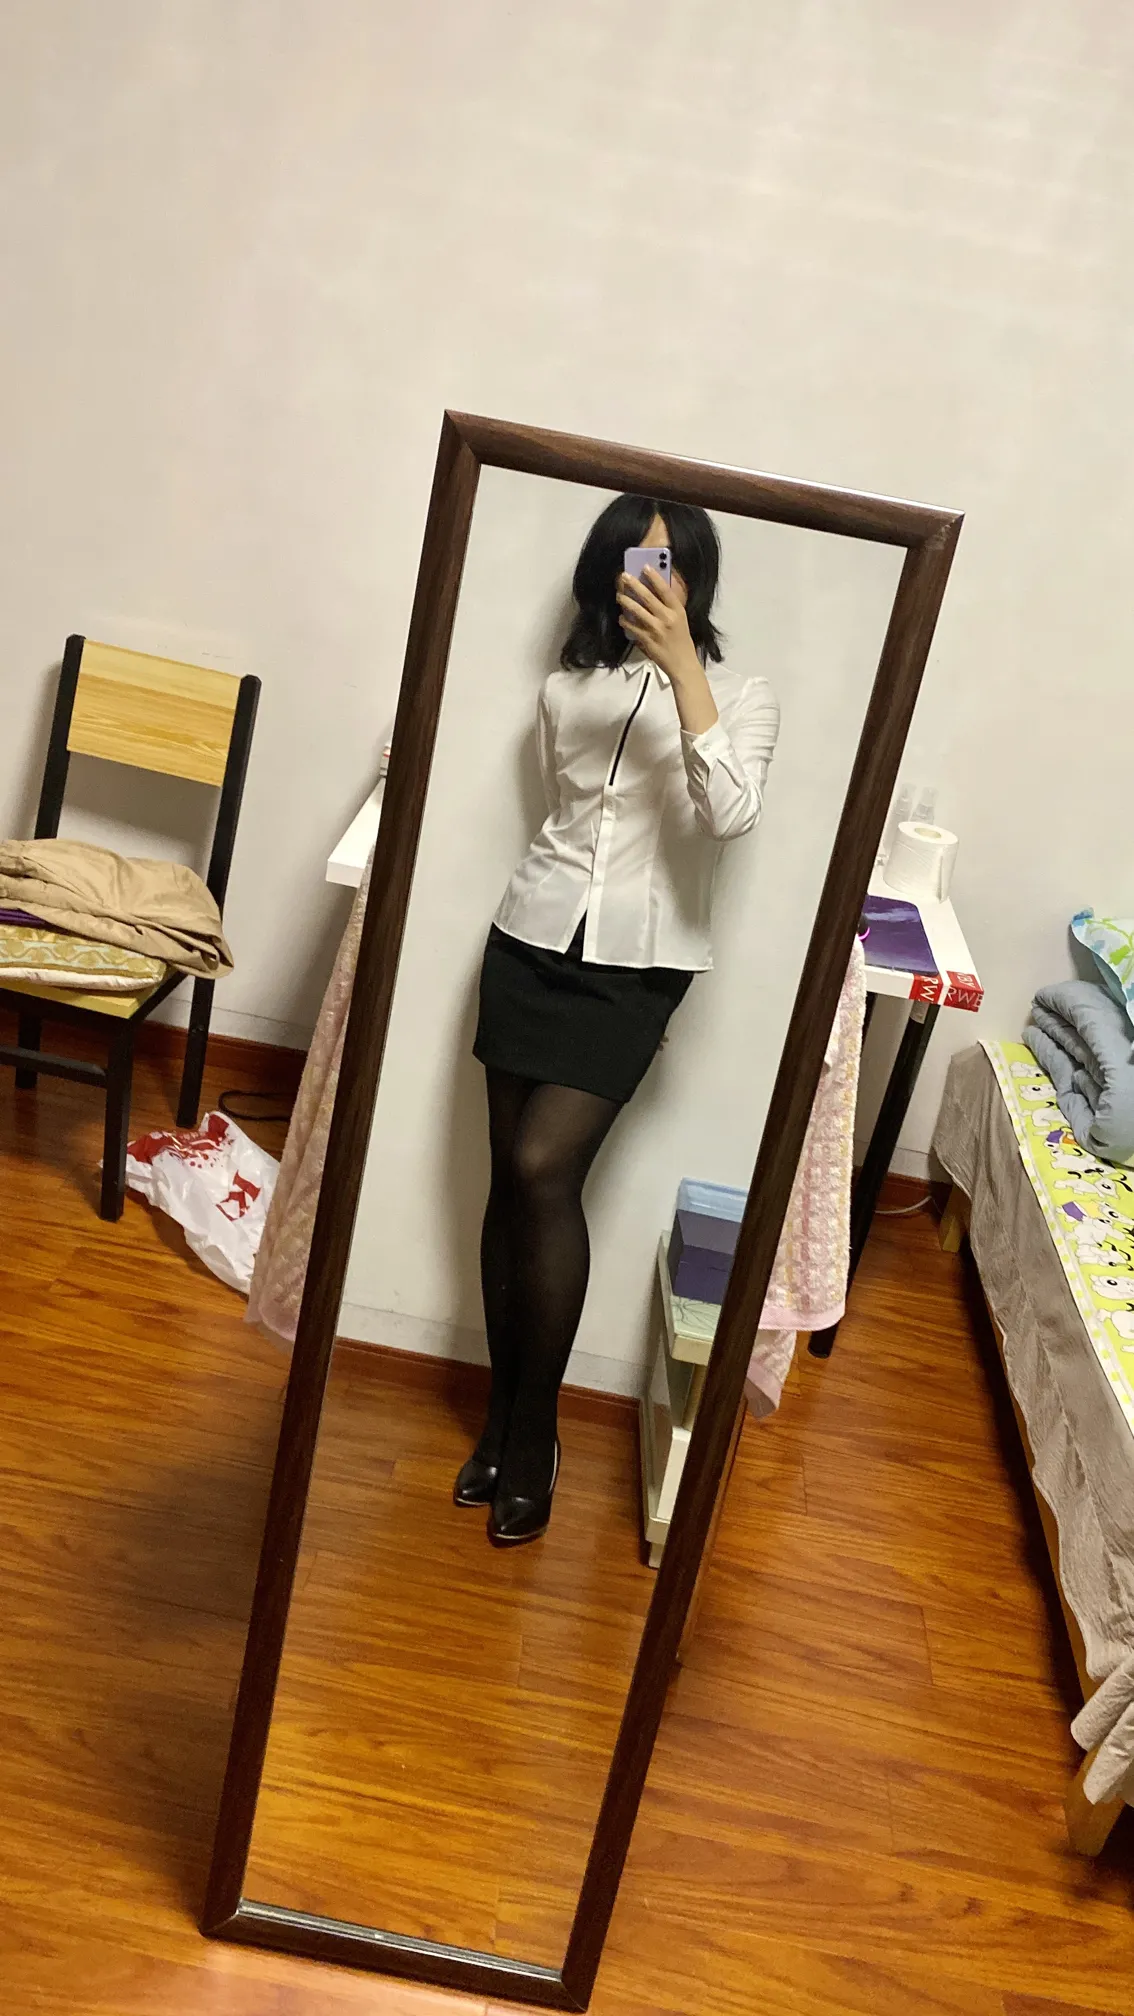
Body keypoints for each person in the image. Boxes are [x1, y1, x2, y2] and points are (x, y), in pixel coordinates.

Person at [457, 493, 780, 1545]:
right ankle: (500, 1419)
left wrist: (685, 672)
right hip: (527, 943)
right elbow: (562, 820)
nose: (652, 579)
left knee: (544, 1168)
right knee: (509, 1183)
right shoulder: (565, 690)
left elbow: (729, 817)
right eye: (635, 562)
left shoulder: (742, 696)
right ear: (606, 572)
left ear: (697, 578)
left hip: (638, 971)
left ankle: (536, 1431)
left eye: (670, 564)